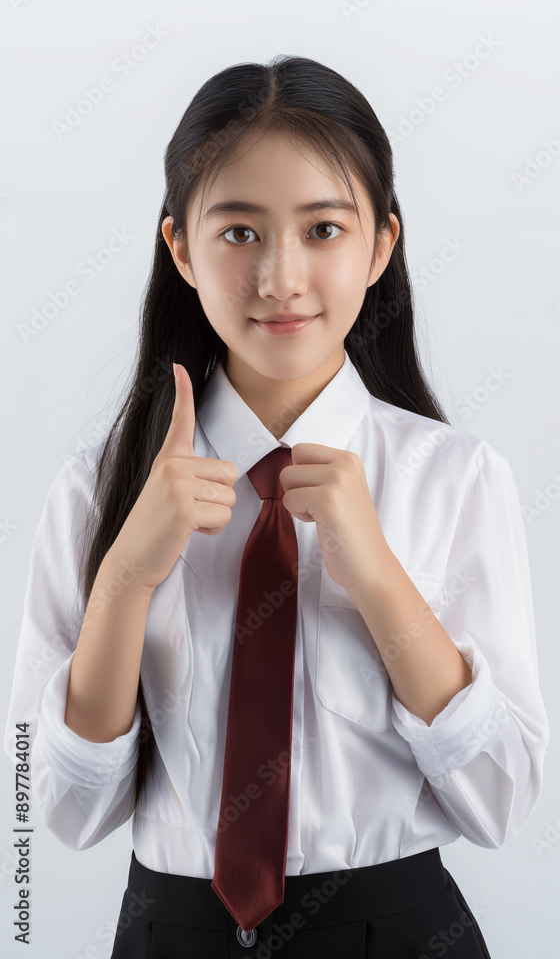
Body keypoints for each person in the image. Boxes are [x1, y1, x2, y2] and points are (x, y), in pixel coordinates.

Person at [4, 55, 549, 958]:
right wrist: (128, 577)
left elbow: (501, 798)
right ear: (181, 248)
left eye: (324, 229)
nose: (280, 277)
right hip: (170, 935)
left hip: (397, 935)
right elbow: (58, 809)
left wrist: (376, 576)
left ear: (381, 245)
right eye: (240, 233)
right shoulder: (98, 489)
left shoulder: (454, 478)